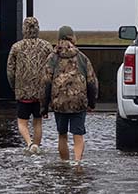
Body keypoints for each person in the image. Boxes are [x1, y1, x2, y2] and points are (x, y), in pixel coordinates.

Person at [42, 26, 98, 163]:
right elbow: (92, 82)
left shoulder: (52, 58)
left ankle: (64, 163)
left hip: (59, 103)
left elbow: (45, 83)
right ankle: (77, 162)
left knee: (62, 135)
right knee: (78, 135)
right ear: (72, 38)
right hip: (78, 102)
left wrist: (43, 107)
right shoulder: (82, 58)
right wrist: (92, 103)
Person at [6, 17, 53, 154]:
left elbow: (10, 70)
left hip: (23, 91)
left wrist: (14, 86)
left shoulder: (16, 47)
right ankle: (36, 147)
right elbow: (51, 68)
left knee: (22, 122)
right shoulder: (47, 46)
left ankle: (29, 143)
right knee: (38, 122)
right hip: (41, 92)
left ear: (23, 29)